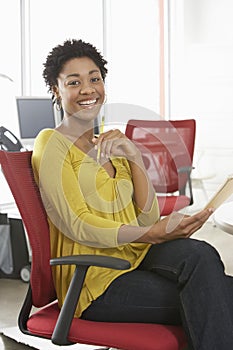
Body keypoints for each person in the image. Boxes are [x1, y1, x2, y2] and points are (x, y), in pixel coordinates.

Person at [32, 39, 233, 350]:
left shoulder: (110, 145)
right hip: (95, 281)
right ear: (57, 91)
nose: (88, 89)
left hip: (134, 257)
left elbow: (147, 216)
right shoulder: (53, 143)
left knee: (202, 254)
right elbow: (77, 224)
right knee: (216, 295)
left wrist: (134, 156)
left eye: (94, 78)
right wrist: (151, 234)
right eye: (74, 82)